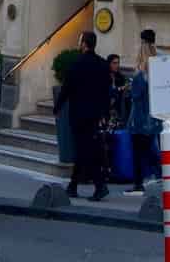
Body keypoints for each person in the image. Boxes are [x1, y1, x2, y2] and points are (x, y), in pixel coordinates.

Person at [53, 31, 110, 201]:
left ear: (84, 44)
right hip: (94, 114)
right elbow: (105, 92)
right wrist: (105, 113)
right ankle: (73, 185)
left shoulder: (76, 64)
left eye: (80, 41)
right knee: (83, 148)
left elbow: (66, 89)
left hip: (78, 114)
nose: (79, 43)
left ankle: (100, 186)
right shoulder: (102, 64)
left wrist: (57, 107)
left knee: (85, 149)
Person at [126, 38, 160, 194]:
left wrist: (130, 86)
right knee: (151, 148)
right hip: (153, 119)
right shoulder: (157, 75)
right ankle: (161, 175)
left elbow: (135, 96)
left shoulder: (140, 76)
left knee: (138, 153)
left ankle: (138, 184)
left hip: (140, 119)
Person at [105, 53, 127, 131]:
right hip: (106, 111)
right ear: (109, 64)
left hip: (118, 111)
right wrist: (118, 89)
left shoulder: (121, 77)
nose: (117, 65)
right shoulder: (104, 77)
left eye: (118, 63)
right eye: (114, 63)